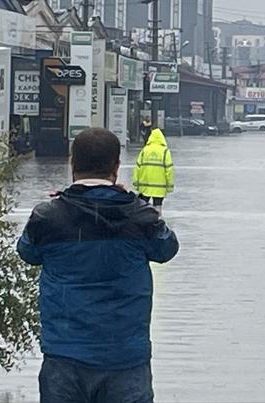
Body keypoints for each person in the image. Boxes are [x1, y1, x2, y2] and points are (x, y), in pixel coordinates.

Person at [17, 127, 178, 403]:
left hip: (64, 358)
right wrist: (135, 202)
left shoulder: (48, 218)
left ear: (72, 163)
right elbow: (167, 248)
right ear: (116, 167)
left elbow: (27, 252)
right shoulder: (140, 218)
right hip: (125, 360)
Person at [134, 127, 175, 211]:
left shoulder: (145, 150)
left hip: (144, 186)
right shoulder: (165, 151)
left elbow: (138, 167)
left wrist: (136, 183)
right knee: (158, 206)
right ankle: (157, 220)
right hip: (159, 187)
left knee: (142, 207)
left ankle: (143, 221)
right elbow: (169, 170)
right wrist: (170, 186)